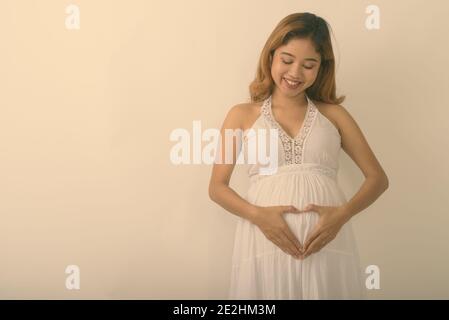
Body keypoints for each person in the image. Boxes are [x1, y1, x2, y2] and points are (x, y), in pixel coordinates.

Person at [208, 12, 389, 299]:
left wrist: (342, 215)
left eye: (308, 65)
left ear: (321, 68)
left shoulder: (334, 115)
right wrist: (259, 217)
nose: (295, 73)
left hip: (328, 244)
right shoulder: (241, 115)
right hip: (263, 243)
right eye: (287, 60)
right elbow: (217, 187)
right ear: (271, 56)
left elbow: (377, 178)